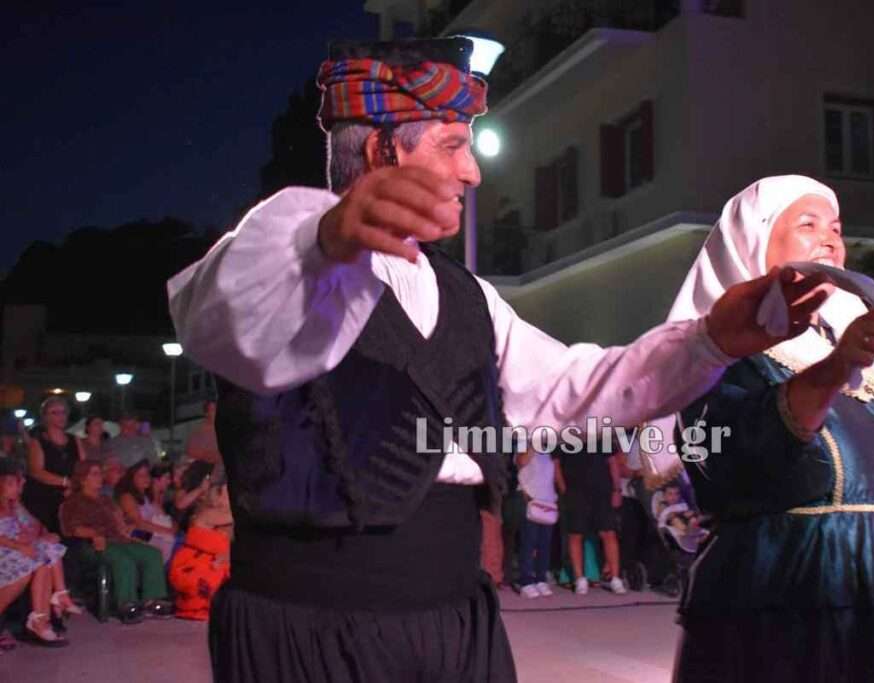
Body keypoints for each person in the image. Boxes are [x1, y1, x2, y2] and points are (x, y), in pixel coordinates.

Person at [167, 38, 828, 683]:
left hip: (458, 623)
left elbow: (576, 391)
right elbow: (221, 314)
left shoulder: (470, 297)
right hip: (310, 635)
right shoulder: (277, 262)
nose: (473, 173)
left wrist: (709, 340)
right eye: (453, 146)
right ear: (381, 150)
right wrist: (327, 236)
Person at [662, 176, 874, 682]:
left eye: (836, 228)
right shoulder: (720, 355)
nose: (829, 239)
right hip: (793, 615)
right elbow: (728, 458)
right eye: (808, 225)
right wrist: (833, 370)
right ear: (755, 241)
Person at [59, 460, 173, 624]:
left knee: (152, 553)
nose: (100, 477)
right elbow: (73, 529)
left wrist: (128, 528)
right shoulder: (74, 502)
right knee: (123, 560)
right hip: (92, 544)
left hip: (117, 539)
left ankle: (152, 601)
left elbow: (120, 522)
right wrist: (95, 534)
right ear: (83, 479)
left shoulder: (106, 500)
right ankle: (127, 604)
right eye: (95, 474)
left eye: (100, 473)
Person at [0, 458, 80, 647]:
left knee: (45, 556)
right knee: (40, 558)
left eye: (18, 482)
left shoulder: (13, 505)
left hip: (16, 551)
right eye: (13, 482)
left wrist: (39, 536)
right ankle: (59, 597)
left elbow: (33, 527)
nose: (19, 485)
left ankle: (42, 619)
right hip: (6, 554)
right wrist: (20, 544)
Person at [554, 444, 627, 595]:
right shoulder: (564, 438)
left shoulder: (601, 435)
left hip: (602, 492)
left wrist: (617, 489)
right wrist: (564, 491)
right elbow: (556, 465)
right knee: (575, 535)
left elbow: (612, 462)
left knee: (608, 533)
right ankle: (580, 579)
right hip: (575, 492)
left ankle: (615, 578)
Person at [168, 466, 232, 621]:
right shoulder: (207, 513)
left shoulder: (229, 520)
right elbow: (242, 515)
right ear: (216, 496)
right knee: (217, 573)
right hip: (191, 564)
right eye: (227, 494)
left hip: (213, 561)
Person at [23, 397, 83, 535]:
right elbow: (36, 471)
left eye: (63, 412)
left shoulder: (75, 440)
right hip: (43, 496)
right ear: (45, 417)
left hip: (71, 493)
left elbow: (83, 466)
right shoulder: (37, 442)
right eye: (54, 412)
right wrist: (65, 482)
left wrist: (74, 486)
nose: (60, 416)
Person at [115, 461, 178, 563]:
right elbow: (138, 523)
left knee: (175, 538)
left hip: (150, 532)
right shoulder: (127, 497)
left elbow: (165, 517)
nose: (146, 478)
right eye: (141, 475)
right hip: (135, 533)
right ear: (132, 478)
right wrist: (166, 531)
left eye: (147, 474)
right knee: (167, 539)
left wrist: (173, 527)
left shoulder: (147, 497)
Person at [515, 449, 557, 599]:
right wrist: (533, 445)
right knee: (529, 542)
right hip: (531, 500)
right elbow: (521, 462)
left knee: (544, 544)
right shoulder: (524, 446)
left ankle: (541, 579)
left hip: (548, 501)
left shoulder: (549, 451)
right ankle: (526, 581)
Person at [185, 400, 221, 464]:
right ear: (206, 413)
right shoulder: (199, 432)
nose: (216, 412)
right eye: (213, 410)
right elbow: (192, 452)